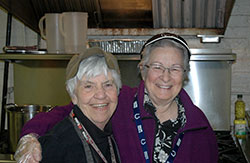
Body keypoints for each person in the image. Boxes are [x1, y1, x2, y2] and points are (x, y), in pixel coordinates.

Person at [15, 33, 218, 163]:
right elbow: (64, 113)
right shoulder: (119, 101)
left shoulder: (199, 126)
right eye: (157, 67)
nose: (165, 77)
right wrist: (30, 136)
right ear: (142, 70)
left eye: (175, 68)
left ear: (184, 74)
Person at [14, 47, 122, 162]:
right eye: (88, 86)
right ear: (73, 96)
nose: (101, 95)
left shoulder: (113, 134)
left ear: (118, 89)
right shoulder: (57, 146)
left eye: (108, 85)